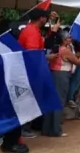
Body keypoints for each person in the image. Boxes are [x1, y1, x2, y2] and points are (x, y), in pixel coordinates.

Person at [17, 8, 55, 138]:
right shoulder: (32, 32)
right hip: (30, 72)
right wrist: (46, 58)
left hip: (29, 70)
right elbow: (32, 54)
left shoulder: (31, 30)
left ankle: (24, 128)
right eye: (46, 18)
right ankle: (24, 129)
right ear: (41, 18)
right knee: (28, 100)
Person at [41, 31, 80, 137]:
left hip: (53, 73)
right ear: (63, 39)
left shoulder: (57, 48)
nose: (70, 39)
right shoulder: (65, 50)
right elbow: (78, 62)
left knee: (51, 101)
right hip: (62, 75)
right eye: (68, 38)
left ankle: (47, 128)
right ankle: (56, 129)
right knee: (59, 101)